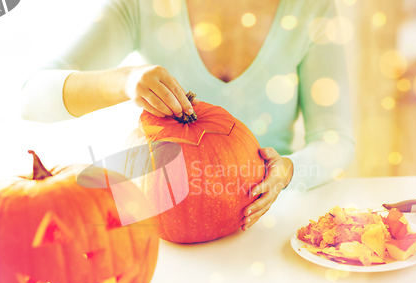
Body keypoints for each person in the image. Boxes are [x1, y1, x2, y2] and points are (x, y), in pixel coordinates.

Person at [21, 0, 355, 231]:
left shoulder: (312, 9)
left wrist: (288, 173)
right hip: (163, 223)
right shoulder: (141, 6)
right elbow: (32, 98)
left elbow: (335, 140)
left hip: (266, 223)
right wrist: (124, 80)